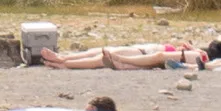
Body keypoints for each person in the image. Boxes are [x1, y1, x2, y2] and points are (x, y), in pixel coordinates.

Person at [41, 39, 200, 71]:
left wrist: (192, 49)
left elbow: (158, 58)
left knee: (102, 58)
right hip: (141, 48)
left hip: (142, 52)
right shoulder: (189, 51)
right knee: (98, 50)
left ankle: (64, 63)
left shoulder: (197, 56)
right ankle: (63, 57)